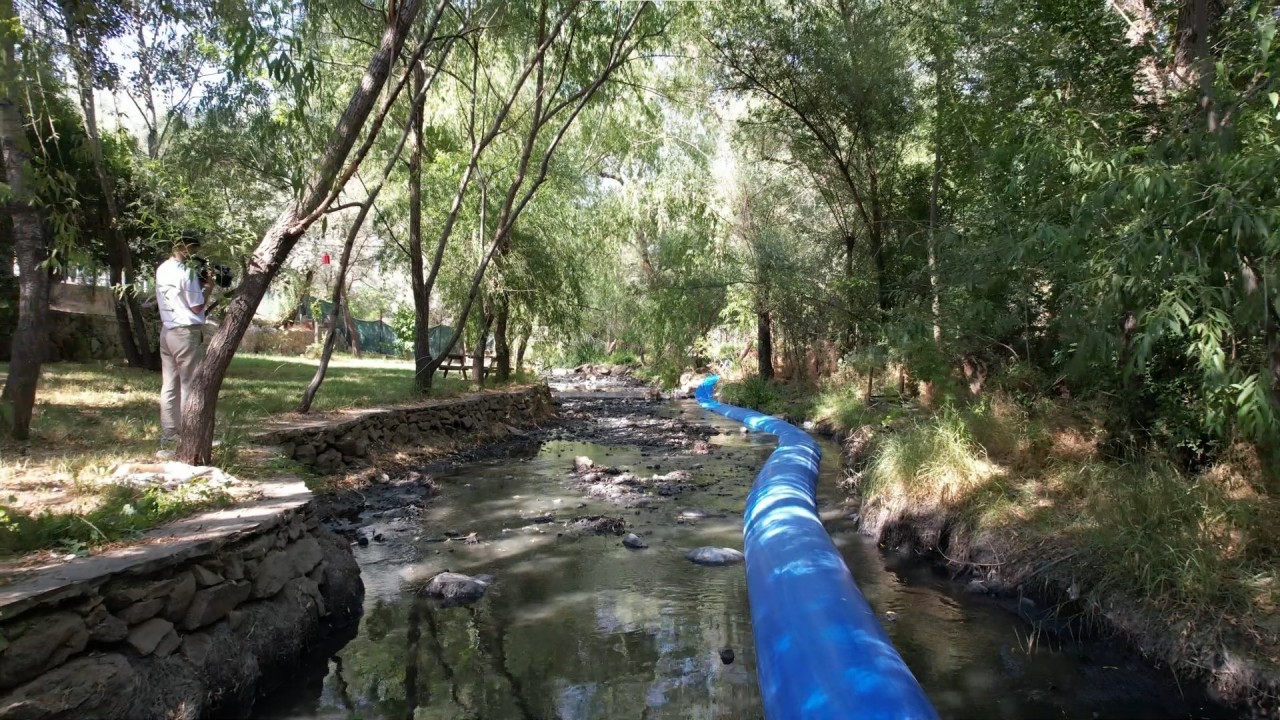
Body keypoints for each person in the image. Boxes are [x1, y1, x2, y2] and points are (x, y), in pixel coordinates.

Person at [155, 235, 213, 456]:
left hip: (167, 330)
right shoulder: (185, 272)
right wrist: (208, 287)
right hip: (185, 332)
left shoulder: (163, 268)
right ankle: (191, 434)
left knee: (170, 384)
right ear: (186, 248)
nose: (195, 254)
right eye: (194, 250)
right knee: (191, 384)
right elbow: (196, 307)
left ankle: (169, 434)